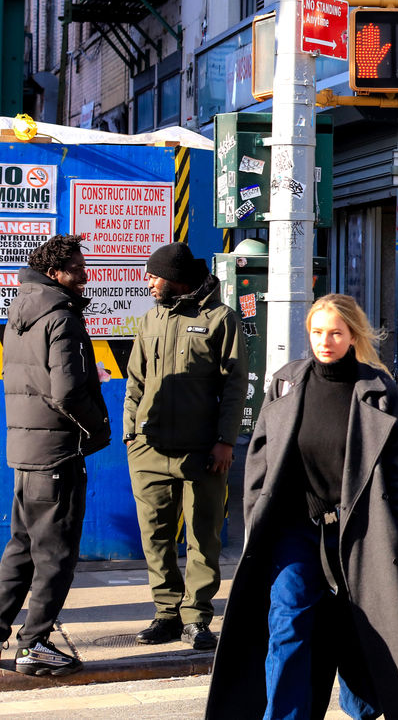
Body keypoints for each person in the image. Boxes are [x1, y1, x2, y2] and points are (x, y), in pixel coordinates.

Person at [205, 294, 398, 720]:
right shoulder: (285, 382)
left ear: (352, 335)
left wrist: (394, 529)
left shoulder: (377, 389)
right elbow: (261, 458)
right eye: (317, 333)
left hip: (360, 532)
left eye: (335, 333)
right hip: (295, 529)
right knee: (289, 624)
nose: (325, 341)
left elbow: (396, 468)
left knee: (360, 627)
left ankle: (362, 709)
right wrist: (256, 517)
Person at [125, 241, 247, 651]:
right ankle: (165, 614)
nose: (148, 282)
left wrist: (225, 441)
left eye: (154, 275)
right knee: (155, 536)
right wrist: (131, 432)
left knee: (203, 535)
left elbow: (235, 387)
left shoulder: (220, 319)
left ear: (176, 279)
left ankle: (197, 618)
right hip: (149, 448)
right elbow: (135, 382)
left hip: (203, 450)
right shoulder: (149, 320)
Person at [0, 234, 110, 675]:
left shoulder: (21, 312)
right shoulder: (60, 317)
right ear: (55, 273)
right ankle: (34, 644)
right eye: (78, 268)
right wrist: (96, 427)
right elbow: (65, 390)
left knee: (21, 548)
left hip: (27, 451)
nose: (86, 275)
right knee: (56, 556)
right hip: (56, 454)